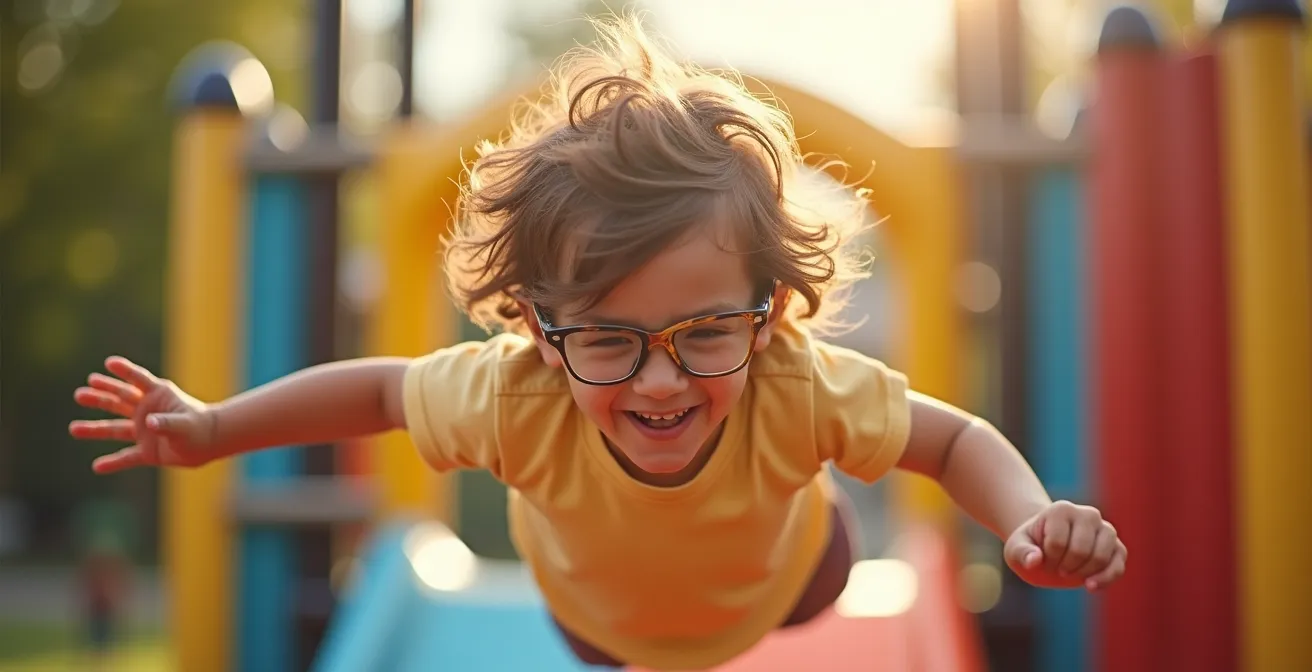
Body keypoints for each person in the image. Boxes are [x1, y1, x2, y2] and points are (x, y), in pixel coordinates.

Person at [69, 14, 1126, 670]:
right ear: (538, 327)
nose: (659, 377)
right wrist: (214, 427)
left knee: (825, 551)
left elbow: (950, 442)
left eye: (707, 330)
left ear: (769, 312)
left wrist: (1029, 520)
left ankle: (816, 496)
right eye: (609, 340)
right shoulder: (514, 393)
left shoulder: (793, 383)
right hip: (601, 627)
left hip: (792, 577)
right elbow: (384, 393)